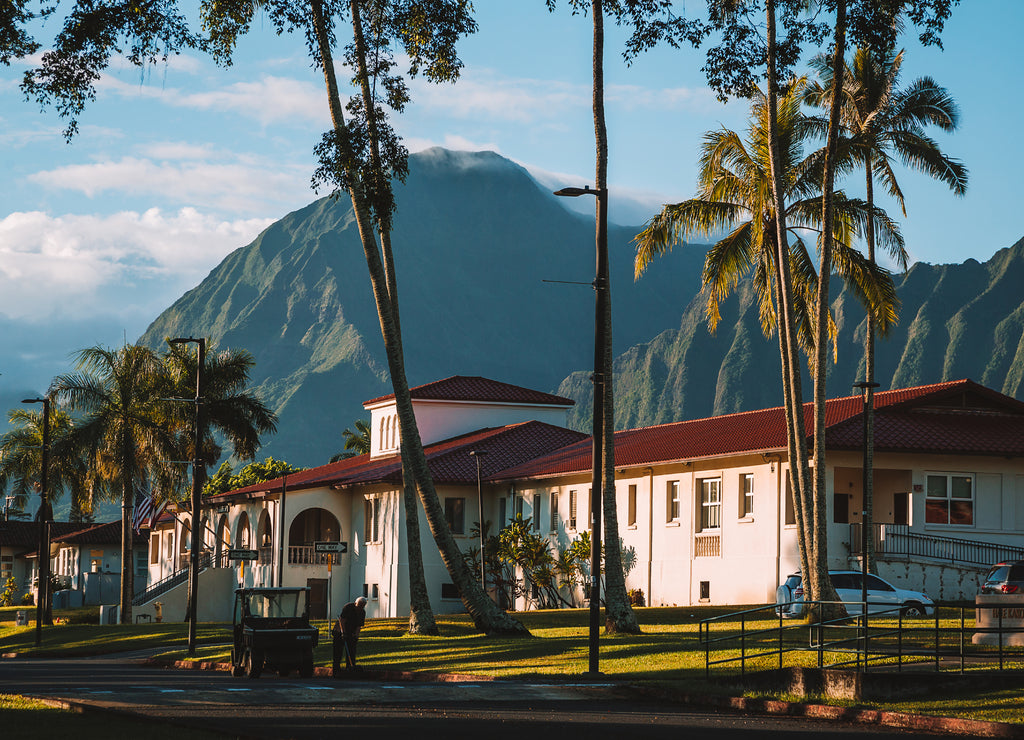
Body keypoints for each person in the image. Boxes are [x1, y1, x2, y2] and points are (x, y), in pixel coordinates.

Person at [333, 596, 367, 676]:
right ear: (355, 603)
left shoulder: (362, 612)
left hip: (350, 632)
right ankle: (336, 671)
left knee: (352, 651)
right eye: (359, 606)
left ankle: (350, 669)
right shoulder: (348, 607)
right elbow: (342, 621)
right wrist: (343, 633)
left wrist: (356, 636)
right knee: (338, 652)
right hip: (339, 631)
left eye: (362, 606)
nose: (360, 608)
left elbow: (359, 626)